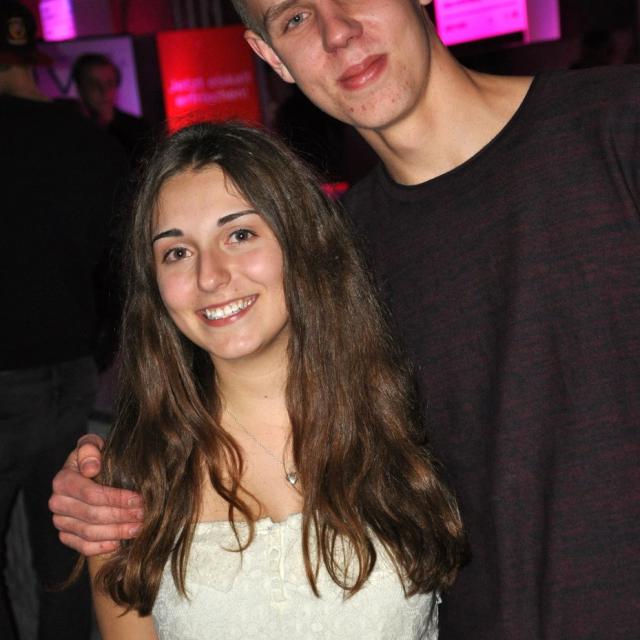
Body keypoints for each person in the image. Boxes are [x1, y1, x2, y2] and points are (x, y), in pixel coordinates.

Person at [50, 1, 640, 638]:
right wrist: (105, 483)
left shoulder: (618, 125)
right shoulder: (334, 261)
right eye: (294, 17)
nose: (338, 32)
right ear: (270, 56)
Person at [81, 120, 465, 638]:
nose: (210, 276)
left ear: (299, 241)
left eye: (239, 235)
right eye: (177, 252)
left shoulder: (408, 418)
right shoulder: (128, 486)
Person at [0, 2, 127, 639]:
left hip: (6, 375)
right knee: (65, 559)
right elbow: (120, 254)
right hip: (73, 372)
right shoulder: (84, 140)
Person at [72, 52, 150, 163]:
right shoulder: (71, 133)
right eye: (94, 84)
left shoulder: (139, 131)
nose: (104, 91)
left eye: (110, 83)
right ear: (80, 88)